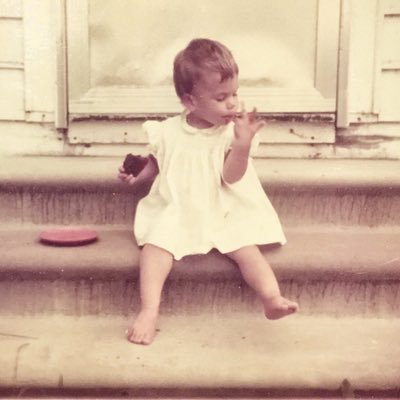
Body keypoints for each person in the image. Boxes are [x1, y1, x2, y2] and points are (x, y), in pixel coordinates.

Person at [118, 38, 298, 345]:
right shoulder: (167, 131)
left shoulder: (231, 133)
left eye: (235, 94)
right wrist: (138, 176)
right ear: (190, 101)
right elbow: (158, 162)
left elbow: (232, 176)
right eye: (221, 97)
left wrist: (241, 146)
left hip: (223, 205)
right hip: (179, 206)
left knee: (246, 249)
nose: (232, 103)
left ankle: (271, 297)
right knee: (156, 247)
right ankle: (149, 310)